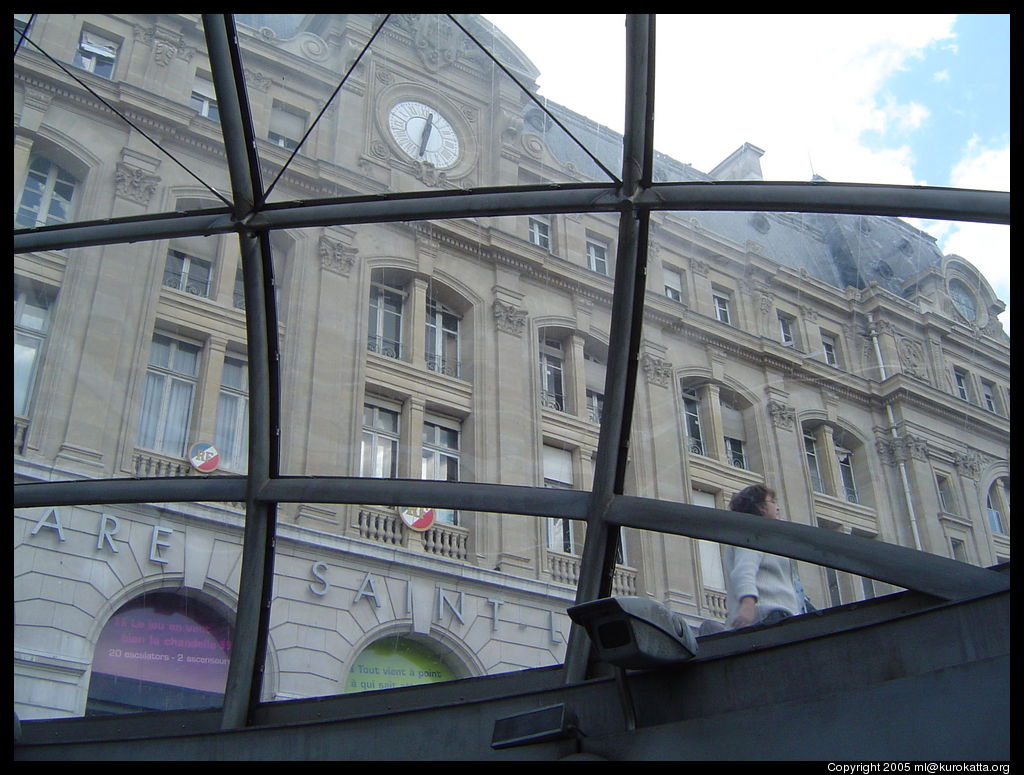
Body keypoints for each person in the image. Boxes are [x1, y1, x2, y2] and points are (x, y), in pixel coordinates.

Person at [724, 484, 811, 629]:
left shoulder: (768, 537)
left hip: (780, 616)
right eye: (773, 501)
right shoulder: (752, 532)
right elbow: (744, 569)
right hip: (768, 617)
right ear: (761, 507)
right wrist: (748, 604)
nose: (777, 508)